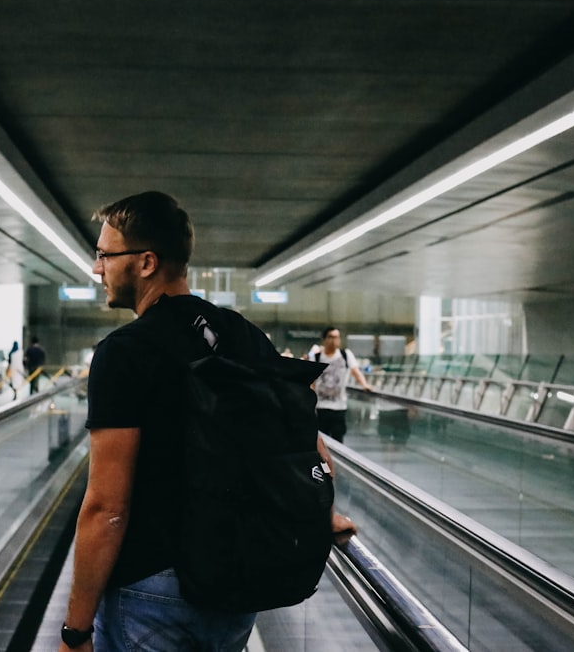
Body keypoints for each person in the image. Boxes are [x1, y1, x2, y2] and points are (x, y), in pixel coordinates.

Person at [59, 191, 357, 652]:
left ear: (146, 262)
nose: (98, 268)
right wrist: (323, 514)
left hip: (149, 588)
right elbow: (304, 442)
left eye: (104, 255)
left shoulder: (123, 353)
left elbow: (107, 508)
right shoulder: (244, 334)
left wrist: (75, 632)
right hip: (233, 580)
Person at [313, 326, 372, 442]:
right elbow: (311, 381)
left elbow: (356, 372)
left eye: (337, 337)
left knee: (338, 439)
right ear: (324, 339)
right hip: (321, 407)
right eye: (331, 337)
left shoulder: (345, 355)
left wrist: (365, 385)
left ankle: (333, 461)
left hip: (339, 407)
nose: (335, 340)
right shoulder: (317, 357)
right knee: (321, 441)